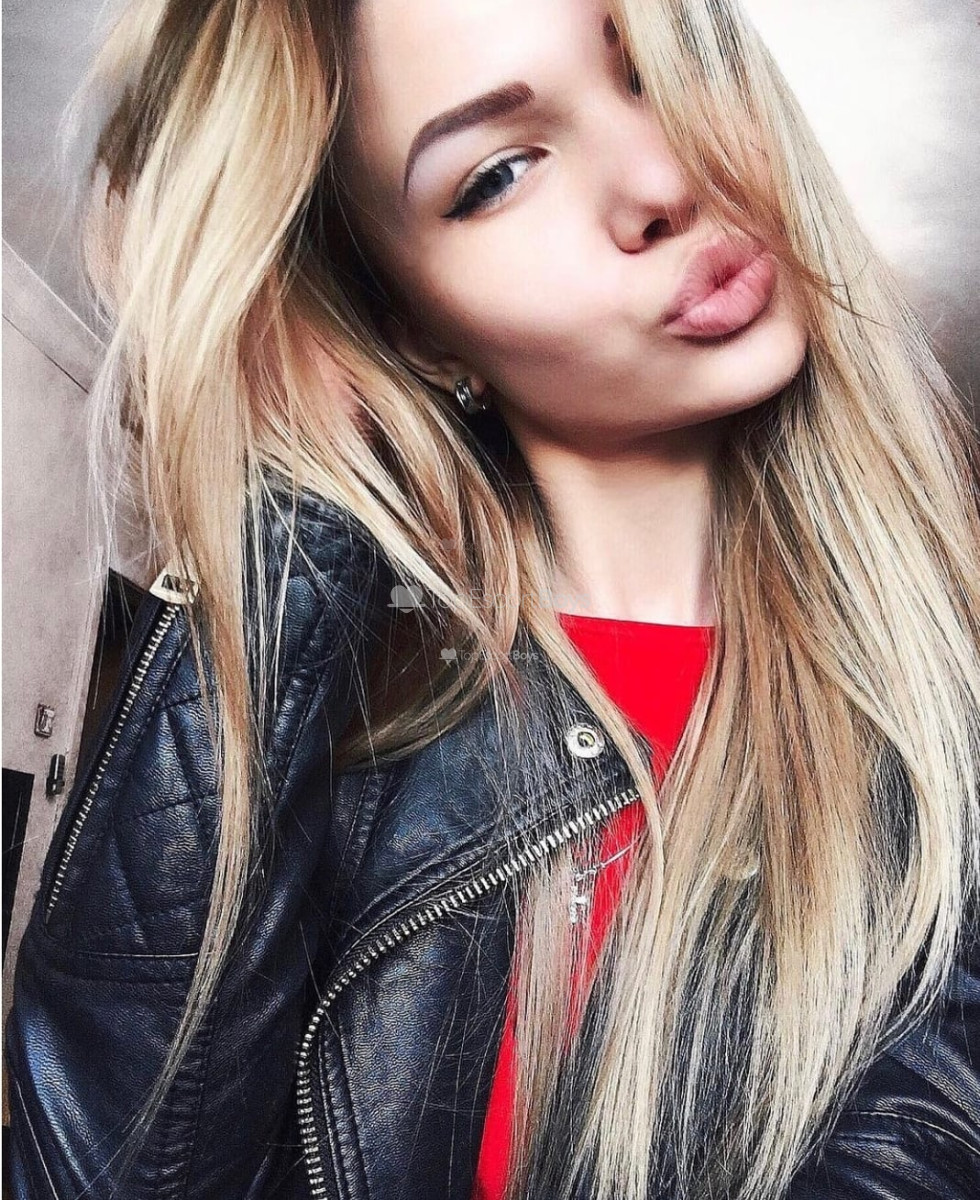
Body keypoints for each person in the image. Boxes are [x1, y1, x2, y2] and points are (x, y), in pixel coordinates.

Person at [5, 0, 980, 1197]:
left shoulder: (941, 724)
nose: (657, 182)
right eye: (498, 175)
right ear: (414, 329)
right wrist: (291, 496)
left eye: (646, 68)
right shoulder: (337, 773)